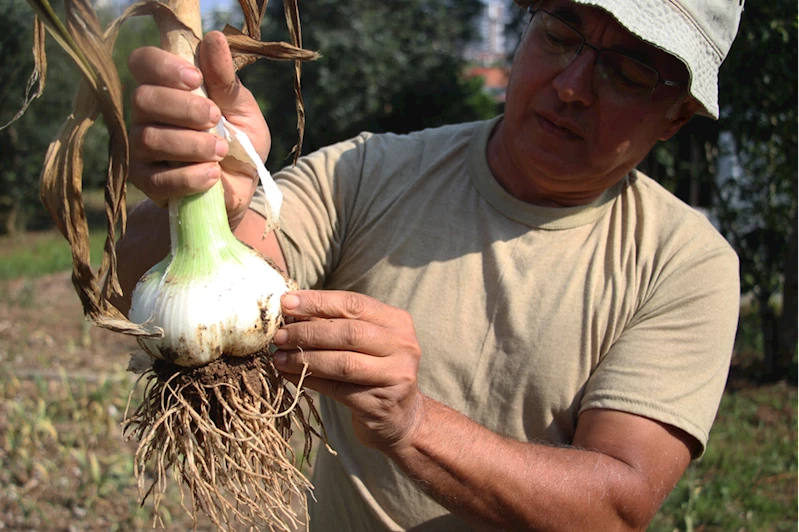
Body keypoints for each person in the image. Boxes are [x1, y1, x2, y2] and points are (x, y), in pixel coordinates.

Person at [117, 0, 745, 529]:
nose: (572, 86)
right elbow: (194, 295)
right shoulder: (365, 173)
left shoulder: (685, 264)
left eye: (629, 71)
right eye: (559, 36)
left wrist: (414, 423)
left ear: (678, 114)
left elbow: (616, 506)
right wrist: (207, 196)